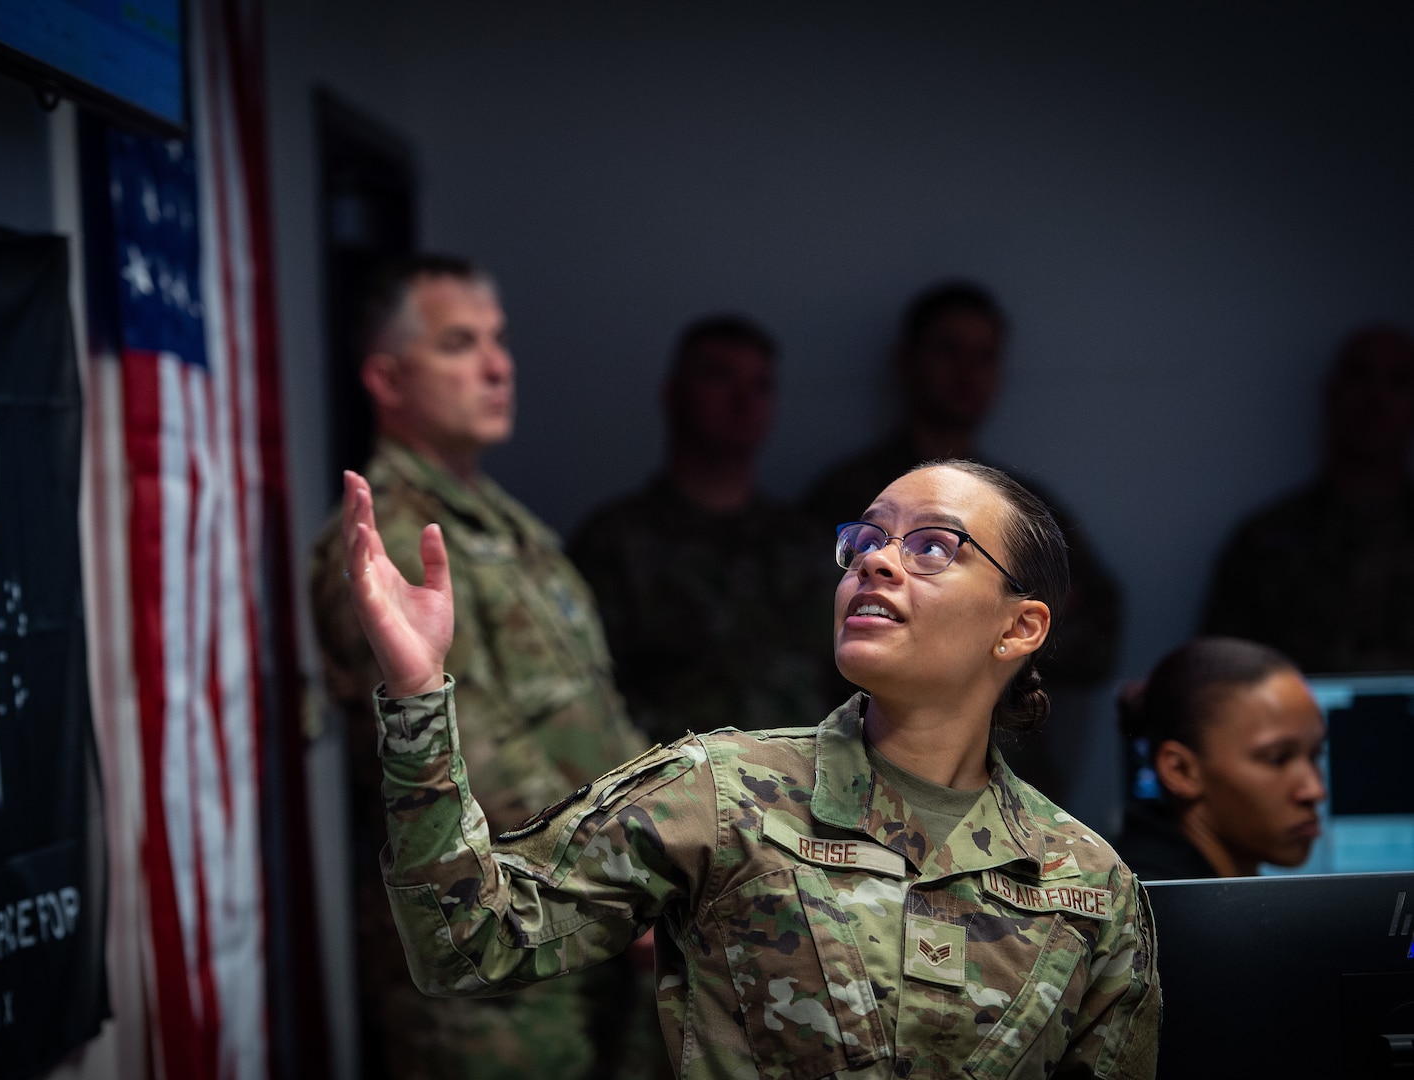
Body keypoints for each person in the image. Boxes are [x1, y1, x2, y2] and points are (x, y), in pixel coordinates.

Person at [340, 458, 1161, 1079]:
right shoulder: (720, 792)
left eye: (934, 547)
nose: (875, 562)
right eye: (866, 540)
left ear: (1020, 629)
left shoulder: (1088, 886)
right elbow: (466, 941)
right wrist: (416, 694)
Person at [307, 254, 649, 1079]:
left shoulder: (503, 522)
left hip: (589, 914)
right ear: (388, 380)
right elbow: (476, 751)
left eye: (497, 340)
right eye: (460, 344)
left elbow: (593, 713)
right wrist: (632, 881)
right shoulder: (387, 541)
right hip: (488, 951)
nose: (498, 365)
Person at [800, 281, 1121, 687]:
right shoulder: (851, 493)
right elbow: (813, 632)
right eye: (948, 350)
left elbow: (1099, 639)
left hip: (1001, 735)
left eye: (985, 356)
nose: (967, 371)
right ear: (905, 361)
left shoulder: (1021, 504)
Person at [567, 315, 841, 743]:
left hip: (805, 790)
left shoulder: (806, 543)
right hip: (669, 794)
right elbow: (587, 702)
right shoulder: (616, 543)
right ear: (673, 395)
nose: (742, 400)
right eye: (719, 377)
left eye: (761, 386)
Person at [1202, 325, 1414, 672]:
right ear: (1332, 393)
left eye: (1398, 381)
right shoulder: (1265, 542)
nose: (1376, 400)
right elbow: (1219, 687)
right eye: (1360, 377)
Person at [1116, 638, 1327, 880]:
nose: (1315, 791)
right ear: (1180, 770)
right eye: (1277, 759)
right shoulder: (1150, 909)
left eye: (1316, 755)